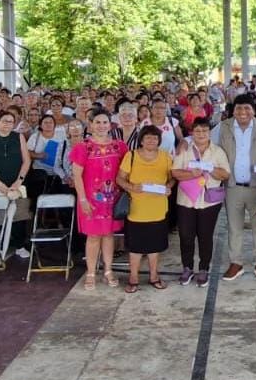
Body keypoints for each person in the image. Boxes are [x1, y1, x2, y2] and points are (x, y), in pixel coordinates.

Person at [211, 93, 256, 282]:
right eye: (238, 108)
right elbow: (205, 142)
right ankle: (236, 263)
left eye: (247, 108)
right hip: (232, 187)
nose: (243, 112)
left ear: (254, 110)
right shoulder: (223, 127)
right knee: (234, 227)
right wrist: (185, 143)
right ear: (233, 110)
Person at [70, 110, 128, 290]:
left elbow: (127, 171)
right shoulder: (82, 147)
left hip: (113, 200)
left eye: (105, 122)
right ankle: (91, 272)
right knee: (93, 236)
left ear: (110, 125)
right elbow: (77, 176)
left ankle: (108, 270)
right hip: (90, 201)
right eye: (98, 122)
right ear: (90, 125)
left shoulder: (120, 146)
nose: (102, 126)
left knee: (109, 235)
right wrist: (82, 200)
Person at [172, 117, 229, 287]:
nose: (201, 134)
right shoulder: (185, 150)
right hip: (186, 201)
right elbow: (175, 172)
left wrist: (210, 169)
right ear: (192, 133)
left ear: (209, 132)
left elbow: (226, 174)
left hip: (209, 202)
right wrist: (192, 174)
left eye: (204, 130)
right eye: (197, 131)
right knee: (186, 236)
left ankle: (204, 268)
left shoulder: (217, 151)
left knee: (205, 236)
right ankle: (187, 267)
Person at [116, 126, 173, 293]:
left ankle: (154, 276)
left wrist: (168, 187)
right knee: (135, 248)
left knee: (154, 247)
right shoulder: (131, 156)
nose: (151, 141)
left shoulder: (165, 156)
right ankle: (133, 278)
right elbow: (119, 178)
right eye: (147, 138)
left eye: (155, 138)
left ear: (159, 141)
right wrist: (132, 187)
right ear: (141, 140)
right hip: (136, 209)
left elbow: (171, 179)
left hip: (158, 208)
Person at [0, 111, 33, 259]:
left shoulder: (19, 137)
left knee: (20, 214)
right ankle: (0, 245)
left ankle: (20, 245)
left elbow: (26, 161)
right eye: (4, 121)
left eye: (11, 122)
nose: (7, 124)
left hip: (18, 181)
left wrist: (19, 180)